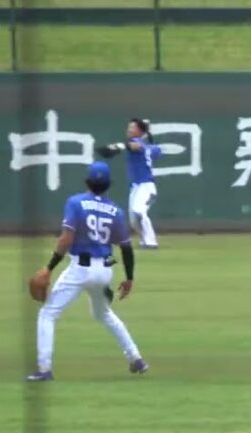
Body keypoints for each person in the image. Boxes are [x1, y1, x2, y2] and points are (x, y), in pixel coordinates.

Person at [26, 161, 148, 382]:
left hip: (80, 270)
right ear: (109, 185)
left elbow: (66, 239)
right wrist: (129, 277)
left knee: (47, 314)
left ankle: (44, 369)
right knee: (103, 314)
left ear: (87, 182)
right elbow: (126, 248)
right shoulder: (116, 211)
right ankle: (136, 358)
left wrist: (49, 267)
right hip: (104, 271)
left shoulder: (75, 203)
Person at [97, 118, 161, 248]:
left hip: (146, 186)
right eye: (129, 127)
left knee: (139, 211)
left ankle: (151, 241)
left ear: (139, 131)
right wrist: (148, 137)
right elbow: (154, 150)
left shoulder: (137, 142)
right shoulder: (149, 147)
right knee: (134, 220)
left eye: (133, 127)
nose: (129, 130)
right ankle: (145, 240)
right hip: (136, 187)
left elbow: (136, 146)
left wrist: (121, 146)